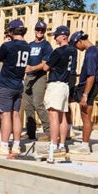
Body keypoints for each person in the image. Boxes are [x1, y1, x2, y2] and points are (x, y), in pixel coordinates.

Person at [0, 19, 30, 156]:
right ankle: (16, 145)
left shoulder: (8, 46)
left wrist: (4, 45)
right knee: (16, 114)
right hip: (19, 84)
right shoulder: (28, 46)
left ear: (11, 31)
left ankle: (4, 145)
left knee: (5, 115)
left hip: (5, 84)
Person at [69, 30, 98, 155]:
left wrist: (85, 95)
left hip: (87, 88)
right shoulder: (94, 50)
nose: (76, 48)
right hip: (86, 86)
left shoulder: (91, 54)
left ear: (80, 41)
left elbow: (91, 76)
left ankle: (84, 146)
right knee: (65, 101)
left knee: (86, 117)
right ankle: (69, 130)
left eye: (75, 45)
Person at [42, 26, 72, 158]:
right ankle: (62, 145)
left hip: (56, 84)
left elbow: (45, 67)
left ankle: (53, 145)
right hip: (65, 85)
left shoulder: (58, 51)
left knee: (53, 115)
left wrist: (52, 66)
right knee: (63, 116)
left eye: (57, 36)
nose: (55, 38)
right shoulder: (73, 50)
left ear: (63, 36)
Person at [23, 21, 53, 141]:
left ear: (44, 31)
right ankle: (30, 132)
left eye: (42, 30)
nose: (39, 32)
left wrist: (32, 68)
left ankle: (48, 131)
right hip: (28, 77)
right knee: (28, 106)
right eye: (38, 29)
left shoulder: (46, 46)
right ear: (34, 30)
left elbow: (45, 64)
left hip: (39, 77)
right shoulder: (29, 45)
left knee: (38, 104)